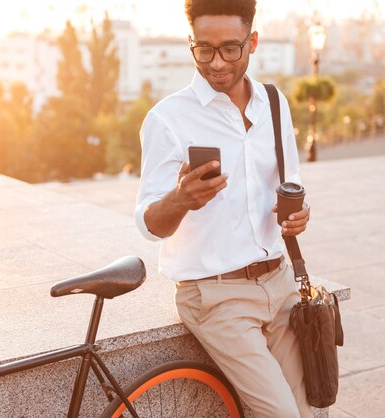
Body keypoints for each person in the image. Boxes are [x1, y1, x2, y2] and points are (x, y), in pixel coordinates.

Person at [134, 0, 312, 416]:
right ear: (191, 44)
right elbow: (147, 223)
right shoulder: (167, 119)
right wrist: (180, 200)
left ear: (252, 42)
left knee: (306, 409)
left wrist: (299, 212)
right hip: (213, 295)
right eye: (204, 49)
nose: (216, 63)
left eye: (230, 49)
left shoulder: (273, 102)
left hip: (279, 281)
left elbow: (292, 180)